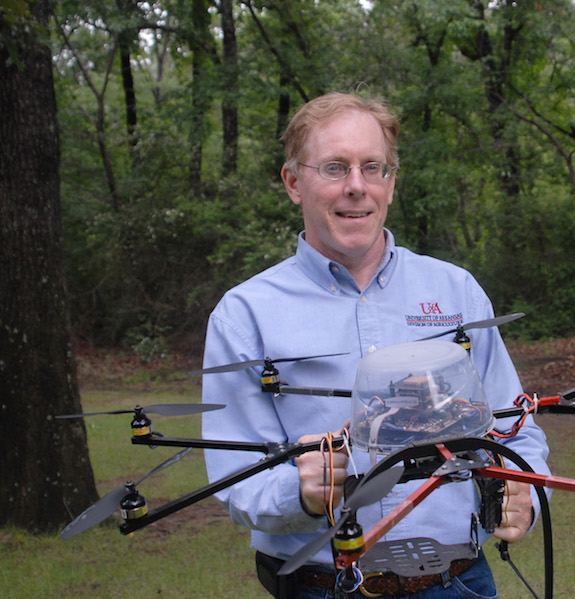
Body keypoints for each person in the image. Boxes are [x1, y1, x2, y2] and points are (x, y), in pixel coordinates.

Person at [200, 92, 551, 598]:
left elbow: (514, 425)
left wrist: (526, 490)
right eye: (335, 168)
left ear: (391, 181)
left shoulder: (456, 291)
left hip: (459, 582)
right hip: (324, 585)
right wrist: (297, 491)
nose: (356, 187)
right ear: (294, 182)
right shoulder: (245, 315)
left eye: (373, 168)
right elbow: (234, 480)